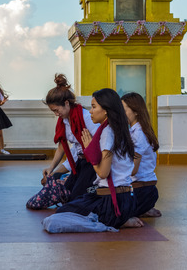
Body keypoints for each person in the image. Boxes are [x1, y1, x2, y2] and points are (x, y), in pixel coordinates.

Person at [56, 88, 143, 229]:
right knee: (76, 204)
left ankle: (116, 220)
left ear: (106, 110)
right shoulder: (121, 129)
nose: (90, 111)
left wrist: (89, 150)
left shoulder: (107, 132)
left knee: (61, 214)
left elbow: (103, 173)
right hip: (127, 199)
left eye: (94, 106)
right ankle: (121, 217)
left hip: (111, 202)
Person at [26, 74, 100, 209]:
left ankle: (73, 187)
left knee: (74, 200)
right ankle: (67, 182)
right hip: (79, 162)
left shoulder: (85, 118)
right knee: (51, 181)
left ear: (66, 103)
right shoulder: (65, 120)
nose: (56, 114)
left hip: (92, 165)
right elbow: (62, 147)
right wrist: (51, 168)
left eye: (56, 110)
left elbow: (102, 145)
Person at [121, 92, 161, 217]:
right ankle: (145, 208)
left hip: (143, 190)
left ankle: (145, 206)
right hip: (141, 188)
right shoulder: (133, 131)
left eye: (124, 110)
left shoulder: (139, 135)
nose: (121, 114)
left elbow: (133, 169)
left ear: (136, 111)